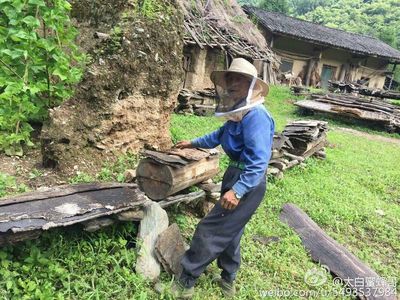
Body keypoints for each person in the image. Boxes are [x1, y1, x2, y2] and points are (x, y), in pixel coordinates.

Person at [171, 58, 274, 298]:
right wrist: (193, 143)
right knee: (231, 230)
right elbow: (219, 134)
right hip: (235, 174)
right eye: (230, 78)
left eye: (239, 79)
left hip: (248, 180)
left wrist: (237, 190)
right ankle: (228, 280)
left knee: (210, 229)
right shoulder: (237, 114)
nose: (232, 83)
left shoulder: (256, 115)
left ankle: (185, 282)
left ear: (251, 85)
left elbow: (259, 161)